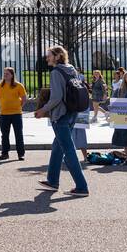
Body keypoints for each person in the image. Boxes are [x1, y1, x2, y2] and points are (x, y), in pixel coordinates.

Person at [33, 46, 90, 195]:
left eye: (49, 55)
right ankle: (52, 181)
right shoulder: (71, 69)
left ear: (58, 56)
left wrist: (43, 110)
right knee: (58, 147)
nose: (47, 58)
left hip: (60, 115)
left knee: (68, 150)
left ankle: (82, 186)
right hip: (72, 113)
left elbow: (57, 97)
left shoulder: (56, 72)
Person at [0, 67, 27, 161]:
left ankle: (21, 154)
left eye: (7, 73)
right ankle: (5, 153)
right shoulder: (0, 86)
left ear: (12, 75)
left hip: (16, 114)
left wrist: (19, 106)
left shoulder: (18, 85)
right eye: (4, 73)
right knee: (4, 135)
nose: (5, 75)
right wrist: (2, 105)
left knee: (18, 134)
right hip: (4, 114)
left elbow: (24, 98)